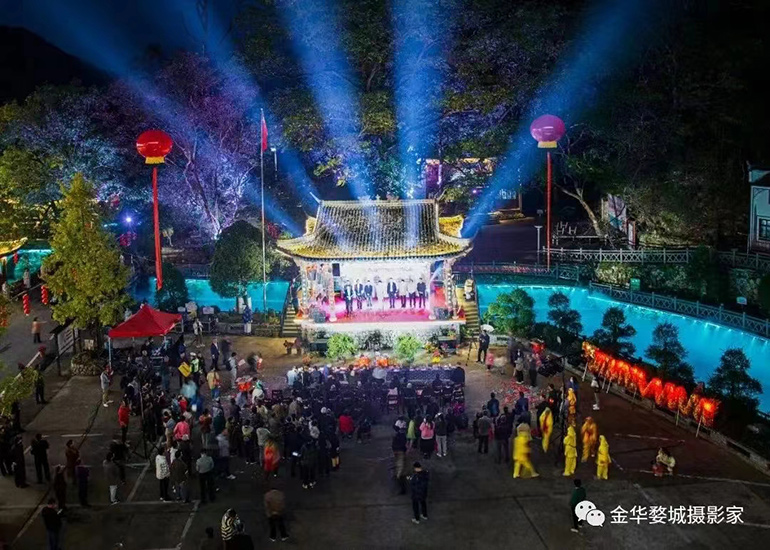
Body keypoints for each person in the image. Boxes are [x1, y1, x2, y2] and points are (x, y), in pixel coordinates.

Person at [392, 428, 408, 493]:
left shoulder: (396, 437)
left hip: (397, 452)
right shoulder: (404, 437)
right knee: (401, 466)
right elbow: (405, 445)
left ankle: (399, 476)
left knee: (399, 466)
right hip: (401, 452)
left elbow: (393, 445)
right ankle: (399, 476)